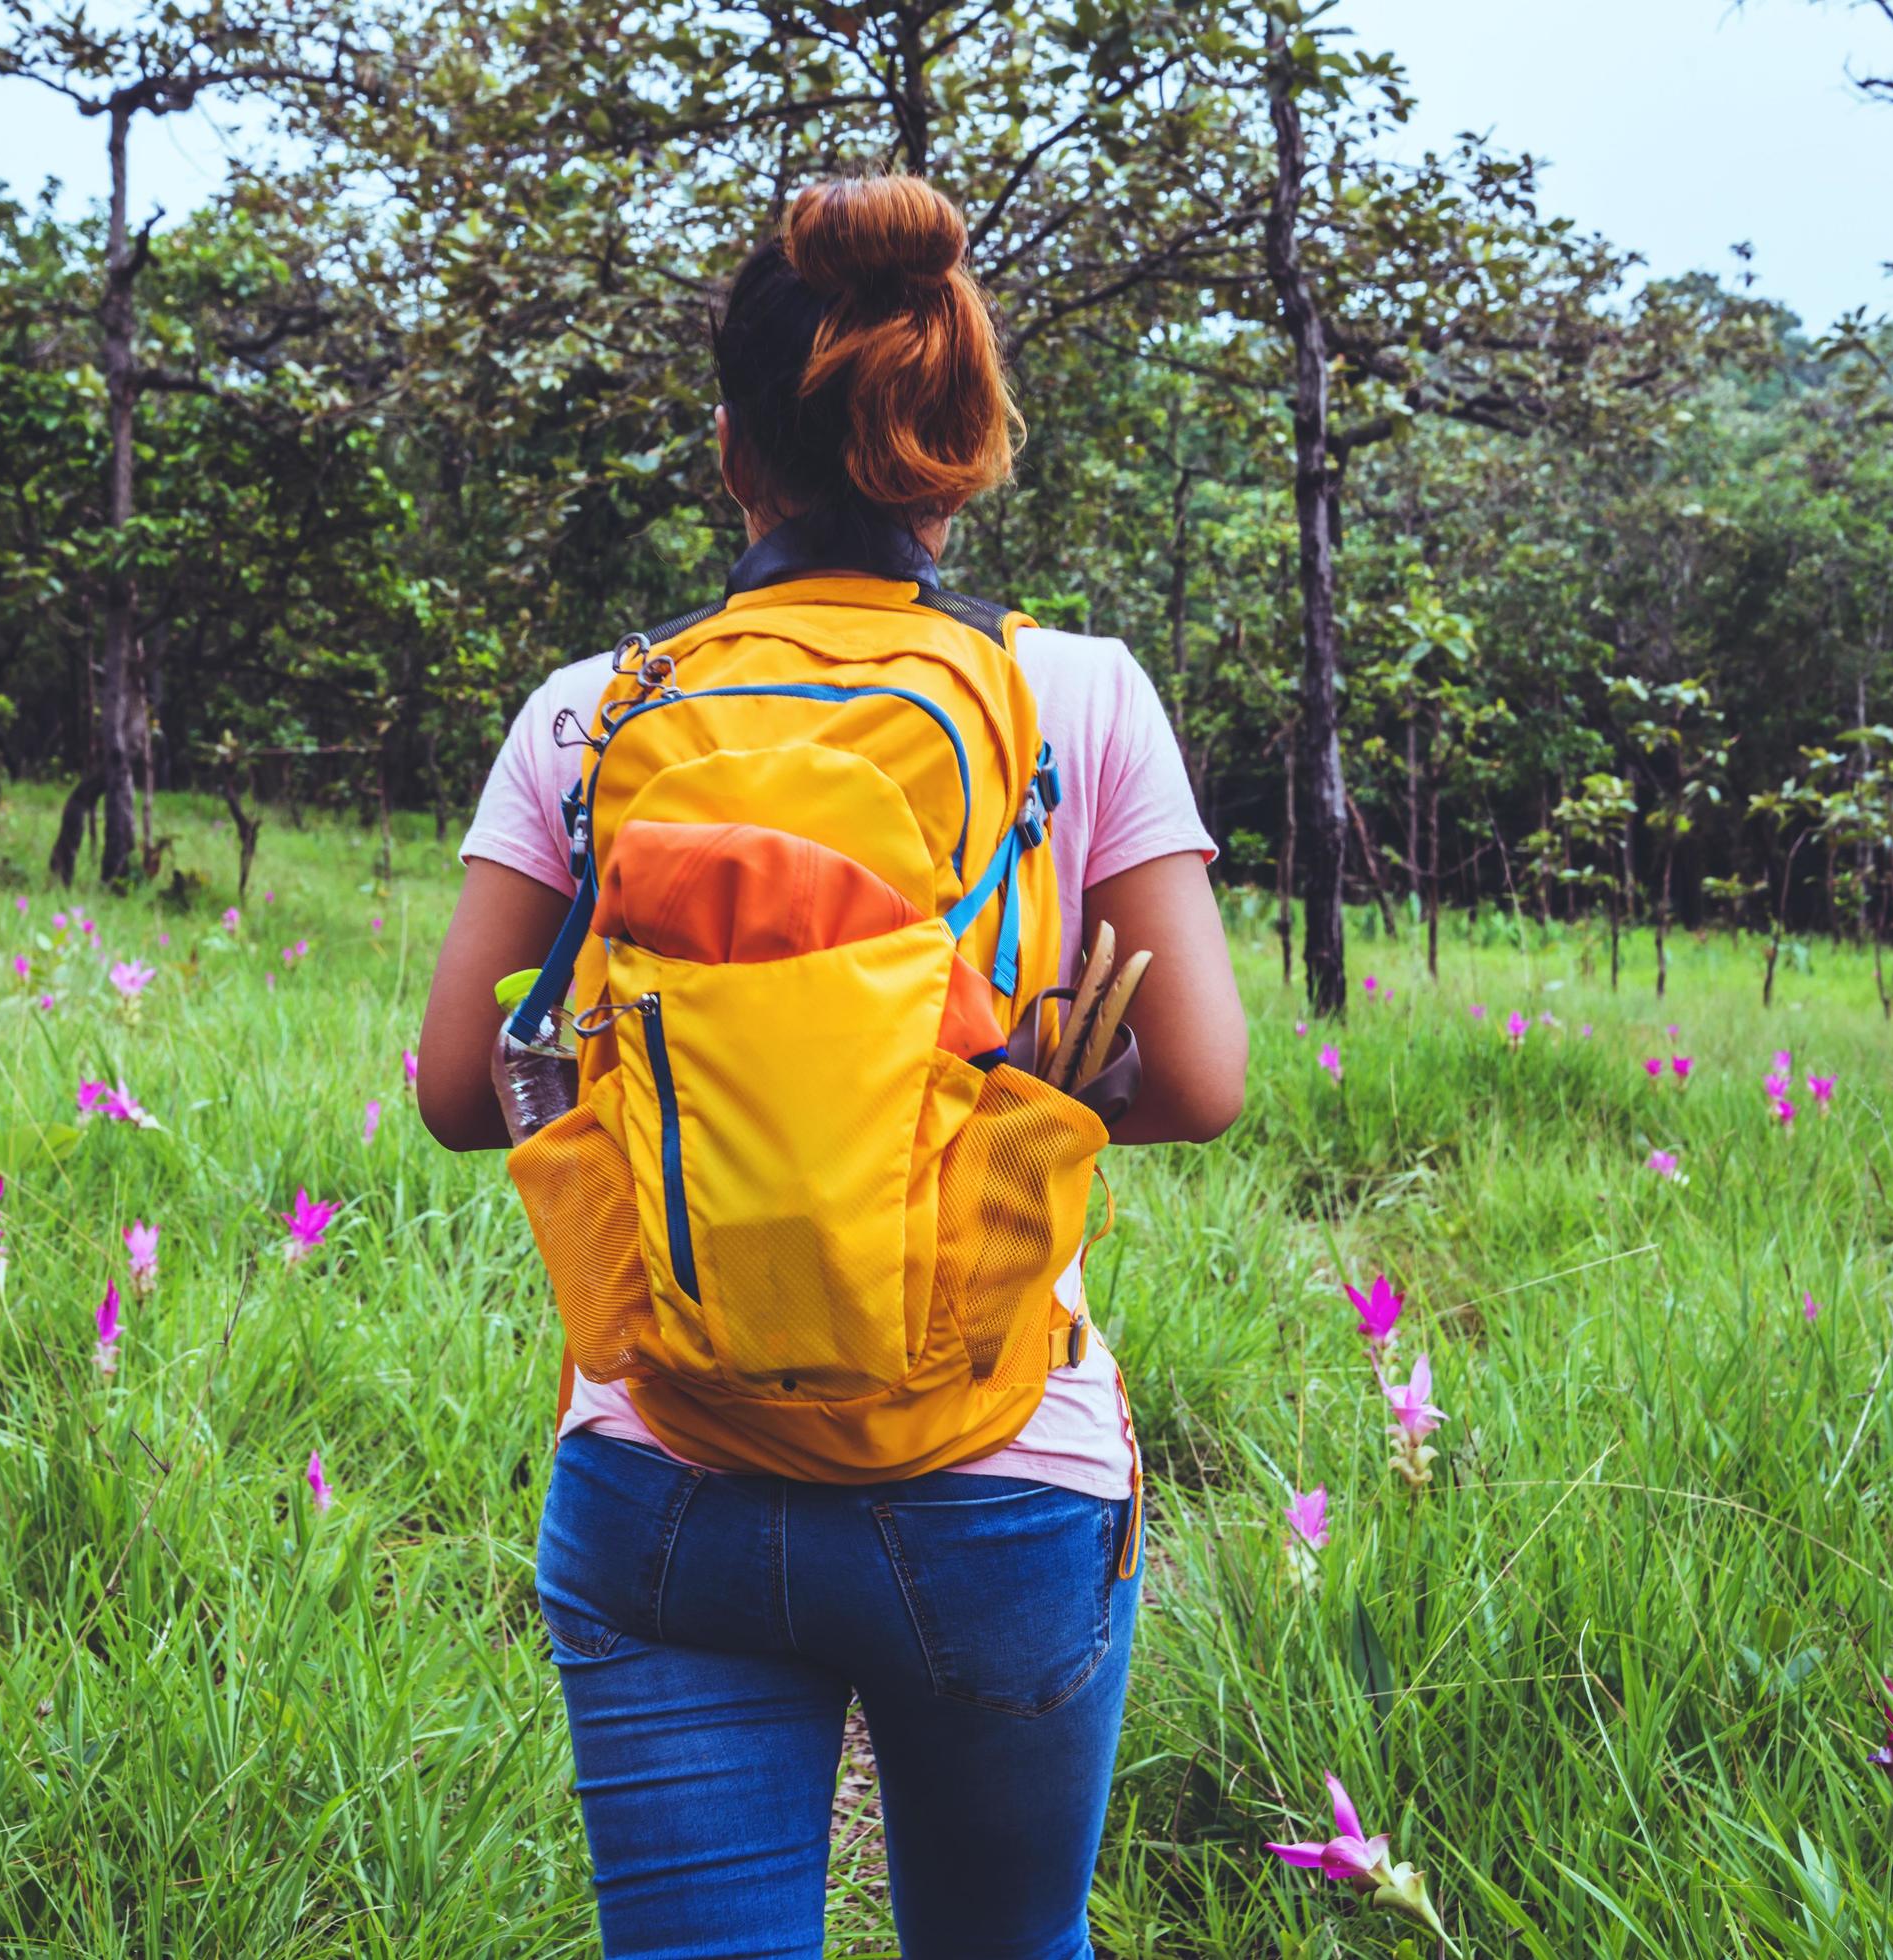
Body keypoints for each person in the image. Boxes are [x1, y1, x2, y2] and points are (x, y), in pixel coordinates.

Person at [415, 174, 1246, 1960]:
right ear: (952, 437)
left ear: (733, 452)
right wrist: (1010, 1070)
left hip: (662, 1470)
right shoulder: (1074, 694)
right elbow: (1202, 1075)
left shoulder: (593, 710)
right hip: (1000, 1467)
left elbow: (452, 1087)